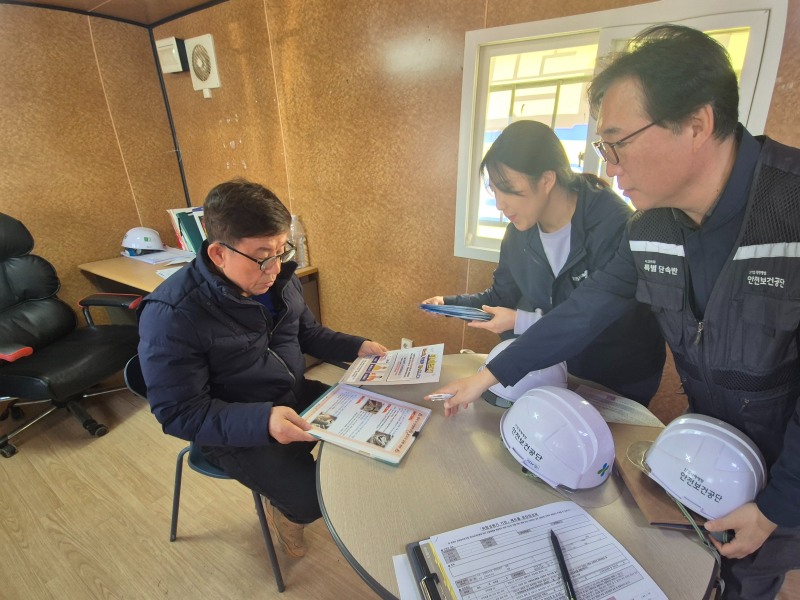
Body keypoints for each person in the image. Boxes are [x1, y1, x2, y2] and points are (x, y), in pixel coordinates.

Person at [427, 24, 800, 599]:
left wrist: (780, 505)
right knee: (700, 569)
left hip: (789, 468)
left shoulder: (791, 210)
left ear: (697, 124)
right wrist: (489, 374)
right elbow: (586, 309)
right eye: (603, 147)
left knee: (752, 576)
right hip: (710, 446)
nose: (608, 164)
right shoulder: (650, 226)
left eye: (618, 142)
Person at [137, 179, 387, 559]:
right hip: (233, 428)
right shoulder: (172, 315)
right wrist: (263, 421)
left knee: (378, 422)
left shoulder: (279, 281)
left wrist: (358, 347)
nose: (274, 267)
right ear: (219, 253)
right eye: (261, 255)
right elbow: (178, 413)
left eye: (280, 250)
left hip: (290, 394)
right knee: (313, 500)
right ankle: (286, 514)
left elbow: (308, 334)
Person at [423, 120, 665, 405]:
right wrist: (451, 304)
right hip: (557, 363)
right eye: (494, 190)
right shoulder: (518, 233)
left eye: (508, 188)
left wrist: (520, 322)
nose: (500, 204)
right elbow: (501, 297)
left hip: (615, 373)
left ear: (547, 180)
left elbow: (591, 318)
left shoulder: (612, 223)